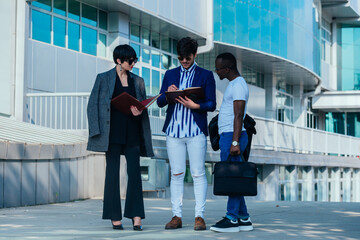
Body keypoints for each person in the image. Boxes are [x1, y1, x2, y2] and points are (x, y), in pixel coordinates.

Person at [87, 44, 154, 231]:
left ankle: (136, 215)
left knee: (134, 174)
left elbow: (142, 106)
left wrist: (138, 110)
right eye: (130, 61)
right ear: (119, 61)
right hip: (111, 134)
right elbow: (92, 105)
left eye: (134, 60)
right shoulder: (103, 79)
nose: (133, 64)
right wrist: (95, 132)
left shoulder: (138, 81)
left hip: (133, 132)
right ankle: (114, 215)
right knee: (112, 174)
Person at [157, 37, 216, 231]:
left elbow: (212, 104)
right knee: (176, 174)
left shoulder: (206, 75)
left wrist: (196, 105)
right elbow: (160, 102)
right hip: (174, 131)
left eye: (187, 57)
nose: (184, 61)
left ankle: (199, 216)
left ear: (195, 54)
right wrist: (167, 93)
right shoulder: (170, 74)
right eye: (181, 57)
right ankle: (176, 216)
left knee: (198, 173)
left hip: (195, 131)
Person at [210, 52, 253, 233]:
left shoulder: (238, 86)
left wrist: (235, 141)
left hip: (232, 136)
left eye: (218, 68)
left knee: (232, 177)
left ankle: (232, 218)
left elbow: (238, 116)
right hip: (228, 136)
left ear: (227, 69)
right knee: (235, 177)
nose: (216, 71)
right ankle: (243, 217)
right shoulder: (234, 84)